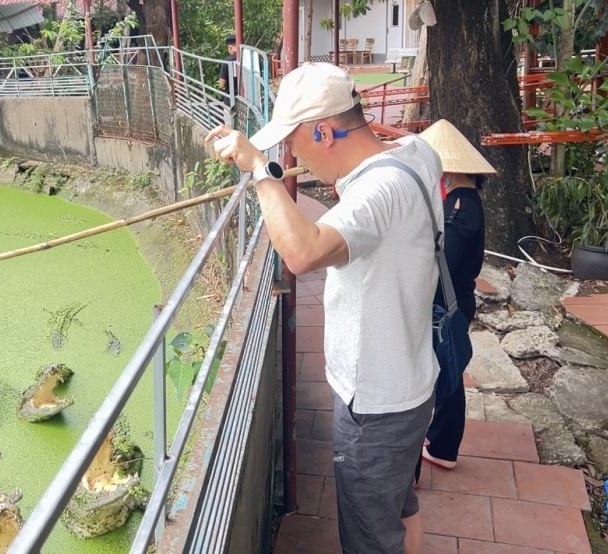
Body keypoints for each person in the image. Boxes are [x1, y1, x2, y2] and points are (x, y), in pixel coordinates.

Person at [206, 62, 443, 554]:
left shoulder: (378, 193)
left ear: (323, 131)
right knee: (398, 507)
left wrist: (260, 171)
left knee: (370, 539)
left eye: (295, 144)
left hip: (374, 406)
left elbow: (301, 252)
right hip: (412, 384)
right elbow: (384, 147)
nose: (294, 157)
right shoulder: (416, 154)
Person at [414, 119, 493, 484]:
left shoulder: (461, 207)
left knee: (439, 374)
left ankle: (437, 449)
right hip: (453, 299)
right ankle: (442, 446)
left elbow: (442, 260)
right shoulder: (461, 200)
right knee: (448, 371)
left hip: (448, 303)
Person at [218, 34, 238, 106]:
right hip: (246, 98)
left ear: (230, 47)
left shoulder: (227, 61)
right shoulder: (247, 58)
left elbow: (222, 84)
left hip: (230, 99)